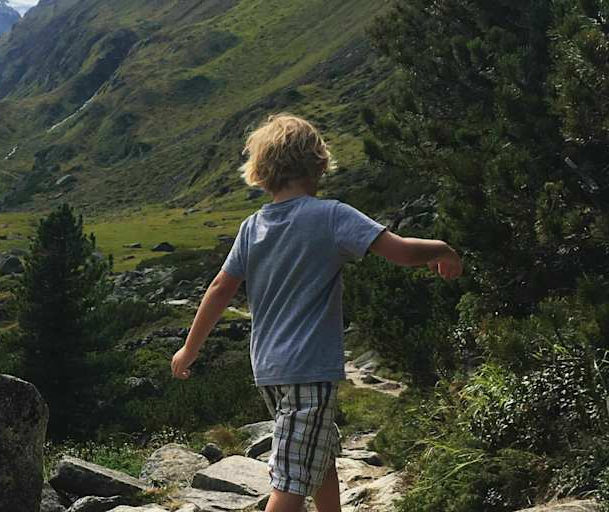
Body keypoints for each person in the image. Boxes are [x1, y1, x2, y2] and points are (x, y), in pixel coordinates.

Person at [170, 114, 462, 512]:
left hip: (269, 370)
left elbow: (221, 288)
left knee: (317, 458)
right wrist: (442, 248)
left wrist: (189, 349)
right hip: (309, 368)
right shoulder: (330, 215)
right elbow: (401, 252)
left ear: (261, 172)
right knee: (291, 483)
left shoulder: (251, 227)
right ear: (319, 163)